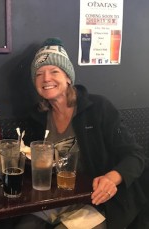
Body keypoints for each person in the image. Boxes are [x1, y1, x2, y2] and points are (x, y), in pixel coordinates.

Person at [16, 38, 148, 228]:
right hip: (56, 199)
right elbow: (31, 162)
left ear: (68, 77)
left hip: (99, 201)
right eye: (39, 74)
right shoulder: (37, 117)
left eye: (54, 71)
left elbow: (136, 155)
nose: (46, 79)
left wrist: (111, 178)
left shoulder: (98, 108)